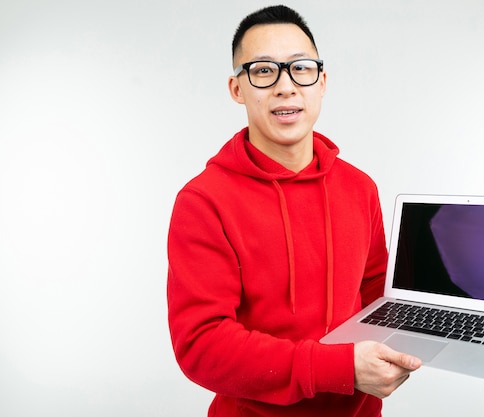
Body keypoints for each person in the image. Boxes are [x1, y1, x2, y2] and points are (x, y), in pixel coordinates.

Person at [167, 5, 421, 416]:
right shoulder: (203, 201)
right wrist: (338, 367)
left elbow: (376, 295)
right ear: (237, 89)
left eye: (300, 69)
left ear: (322, 82)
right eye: (263, 71)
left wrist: (431, 330)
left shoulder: (360, 187)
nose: (286, 87)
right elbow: (202, 346)